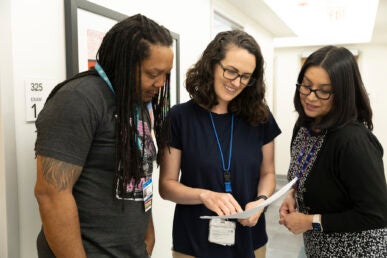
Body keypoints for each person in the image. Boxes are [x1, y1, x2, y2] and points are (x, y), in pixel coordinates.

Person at [34, 14, 174, 258]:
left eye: (166, 74)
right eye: (153, 74)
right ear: (125, 64)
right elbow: (51, 194)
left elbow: (139, 174)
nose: (161, 83)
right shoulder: (78, 99)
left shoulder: (135, 101)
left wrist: (147, 235)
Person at [159, 30, 281, 258]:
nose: (237, 83)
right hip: (193, 243)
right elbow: (166, 186)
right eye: (231, 71)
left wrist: (261, 201)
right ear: (212, 64)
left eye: (246, 76)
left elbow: (268, 173)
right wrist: (204, 195)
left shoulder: (260, 116)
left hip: (249, 240)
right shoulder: (180, 117)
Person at [279, 45, 387, 257]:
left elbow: (376, 214)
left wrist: (311, 222)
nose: (311, 97)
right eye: (306, 86)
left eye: (324, 91)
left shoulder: (352, 141)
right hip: (318, 248)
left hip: (357, 250)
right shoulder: (304, 126)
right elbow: (302, 174)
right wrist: (292, 194)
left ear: (342, 94)